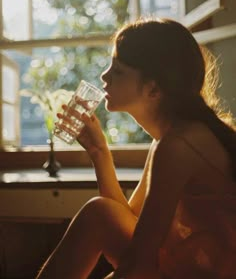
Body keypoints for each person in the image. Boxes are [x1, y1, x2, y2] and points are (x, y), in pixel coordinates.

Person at [36, 18, 236, 279]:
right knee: (100, 213)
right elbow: (129, 220)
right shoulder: (170, 139)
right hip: (181, 266)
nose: (103, 76)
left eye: (117, 70)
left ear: (153, 88)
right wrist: (99, 151)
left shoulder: (178, 146)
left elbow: (138, 263)